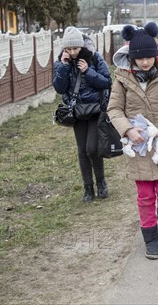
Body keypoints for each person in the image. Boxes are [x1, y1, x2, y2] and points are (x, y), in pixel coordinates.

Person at [107, 22, 158, 260]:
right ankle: (150, 238)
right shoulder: (121, 79)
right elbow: (114, 109)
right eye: (139, 59)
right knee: (144, 196)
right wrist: (128, 130)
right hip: (139, 146)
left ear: (156, 54)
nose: (145, 62)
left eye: (149, 57)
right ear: (131, 58)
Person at [52, 26, 112, 202]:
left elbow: (107, 82)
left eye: (75, 49)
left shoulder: (94, 58)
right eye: (68, 49)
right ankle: (88, 188)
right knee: (82, 151)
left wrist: (88, 71)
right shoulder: (62, 62)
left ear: (81, 46)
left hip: (95, 110)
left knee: (92, 149)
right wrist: (63, 66)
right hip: (77, 112)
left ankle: (101, 182)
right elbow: (59, 88)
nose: (72, 52)